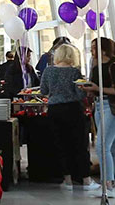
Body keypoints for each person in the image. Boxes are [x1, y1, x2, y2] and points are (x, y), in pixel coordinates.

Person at [39, 44, 98, 191]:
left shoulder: (48, 71)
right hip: (73, 110)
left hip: (54, 110)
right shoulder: (74, 72)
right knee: (79, 145)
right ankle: (86, 180)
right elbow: (80, 94)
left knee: (60, 145)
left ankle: (67, 181)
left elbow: (43, 90)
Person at [80, 38, 115, 196]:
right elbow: (96, 89)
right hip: (99, 106)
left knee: (102, 145)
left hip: (113, 107)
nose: (92, 51)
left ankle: (107, 185)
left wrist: (97, 88)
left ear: (103, 50)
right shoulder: (96, 68)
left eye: (94, 48)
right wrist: (89, 89)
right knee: (114, 146)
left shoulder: (114, 67)